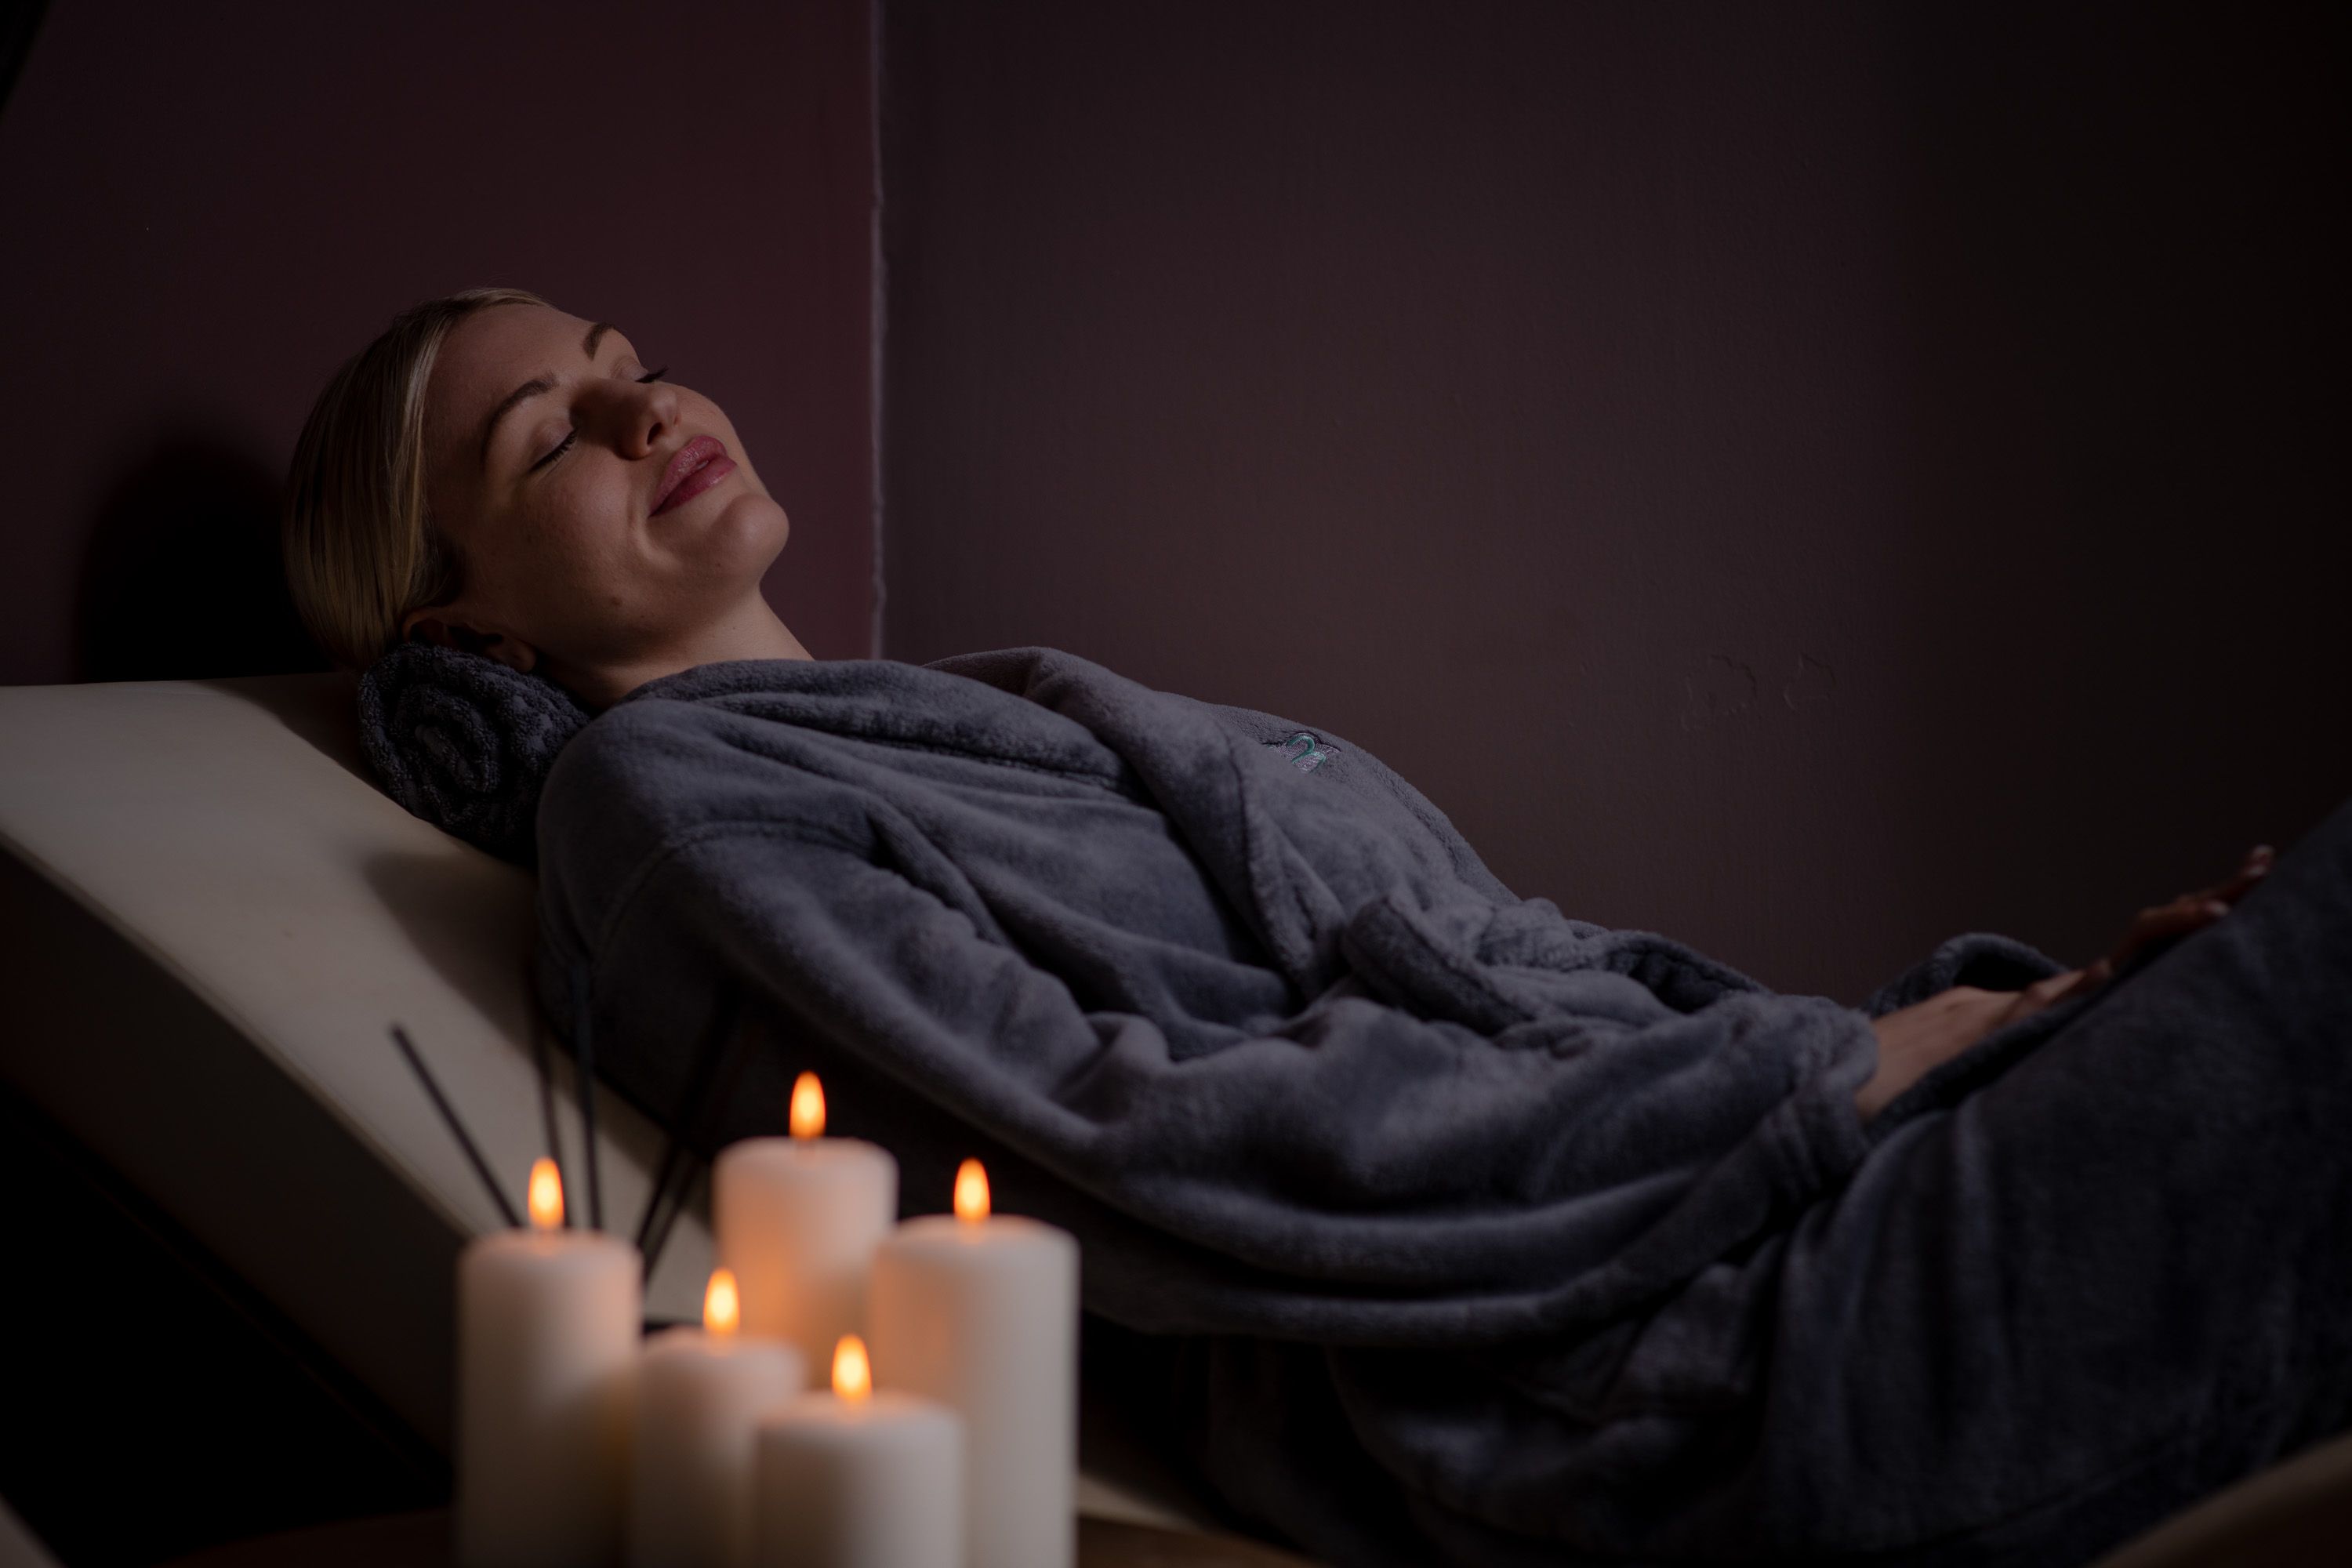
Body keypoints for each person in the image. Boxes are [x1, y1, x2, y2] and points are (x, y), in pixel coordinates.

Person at [285, 289, 2350, 1566]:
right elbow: (1131, 1148)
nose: (650, 411)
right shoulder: (661, 811)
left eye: (626, 364)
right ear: (457, 621)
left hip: (1768, 1216)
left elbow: (1516, 998)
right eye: (550, 434)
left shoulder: (954, 717)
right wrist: (1859, 1069)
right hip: (1655, 1387)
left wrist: (2019, 1022)